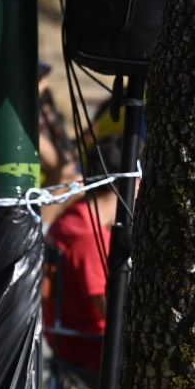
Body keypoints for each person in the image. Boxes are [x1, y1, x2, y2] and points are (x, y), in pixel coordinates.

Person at [42, 136, 130, 376]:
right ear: (131, 183)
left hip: (65, 338)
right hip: (93, 350)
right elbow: (111, 312)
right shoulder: (90, 237)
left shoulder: (72, 217)